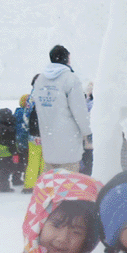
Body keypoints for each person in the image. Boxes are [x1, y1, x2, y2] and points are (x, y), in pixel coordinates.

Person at [29, 46, 92, 175]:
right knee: (68, 180)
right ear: (66, 59)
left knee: (51, 180)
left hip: (48, 141)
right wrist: (87, 131)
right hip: (68, 142)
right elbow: (79, 110)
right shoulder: (70, 79)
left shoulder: (40, 80)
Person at [0, 108, 21, 192]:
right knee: (6, 169)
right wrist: (15, 152)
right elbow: (11, 142)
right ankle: (3, 186)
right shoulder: (9, 128)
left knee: (1, 168)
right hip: (7, 151)